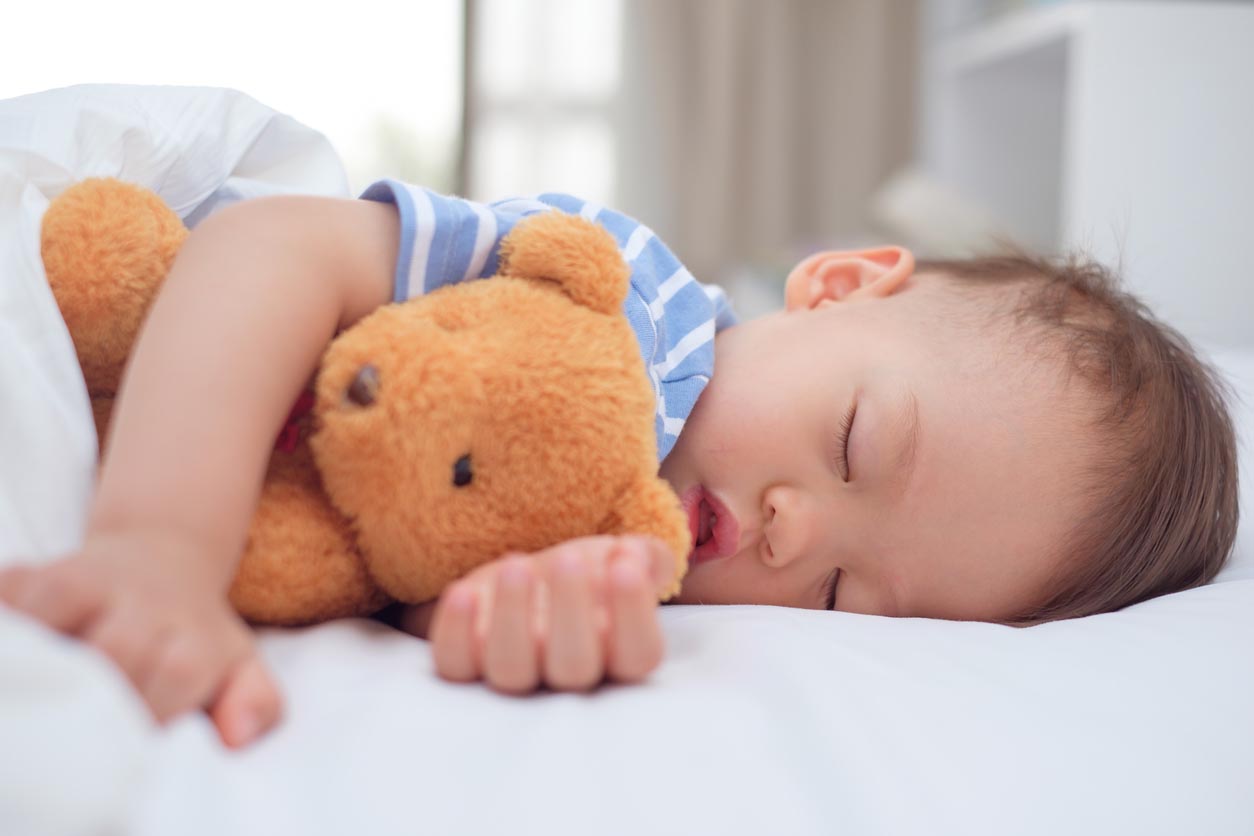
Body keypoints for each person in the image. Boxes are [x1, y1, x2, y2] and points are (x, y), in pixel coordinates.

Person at [0, 181, 1238, 752]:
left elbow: (412, 528)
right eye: (855, 445)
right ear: (837, 287)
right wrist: (163, 545)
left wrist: (490, 616)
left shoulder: (641, 571)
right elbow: (280, 246)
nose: (792, 535)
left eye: (844, 596)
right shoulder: (614, 291)